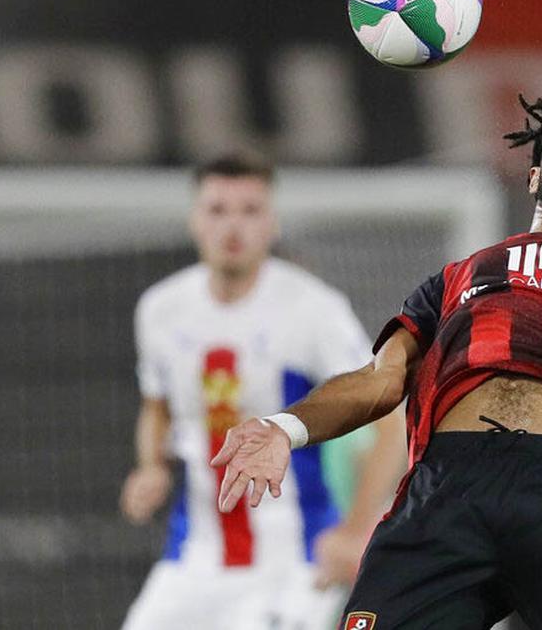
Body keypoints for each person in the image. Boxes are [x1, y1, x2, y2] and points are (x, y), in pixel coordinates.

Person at [211, 49, 542, 630]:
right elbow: (380, 380)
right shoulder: (453, 279)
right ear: (534, 175)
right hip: (445, 491)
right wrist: (285, 427)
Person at [119, 153, 406, 630]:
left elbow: (390, 419)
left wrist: (356, 531)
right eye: (217, 210)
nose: (233, 226)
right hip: (193, 557)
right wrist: (151, 467)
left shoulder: (313, 310)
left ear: (272, 223)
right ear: (194, 221)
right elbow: (157, 405)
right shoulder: (161, 309)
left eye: (250, 211)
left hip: (291, 561)